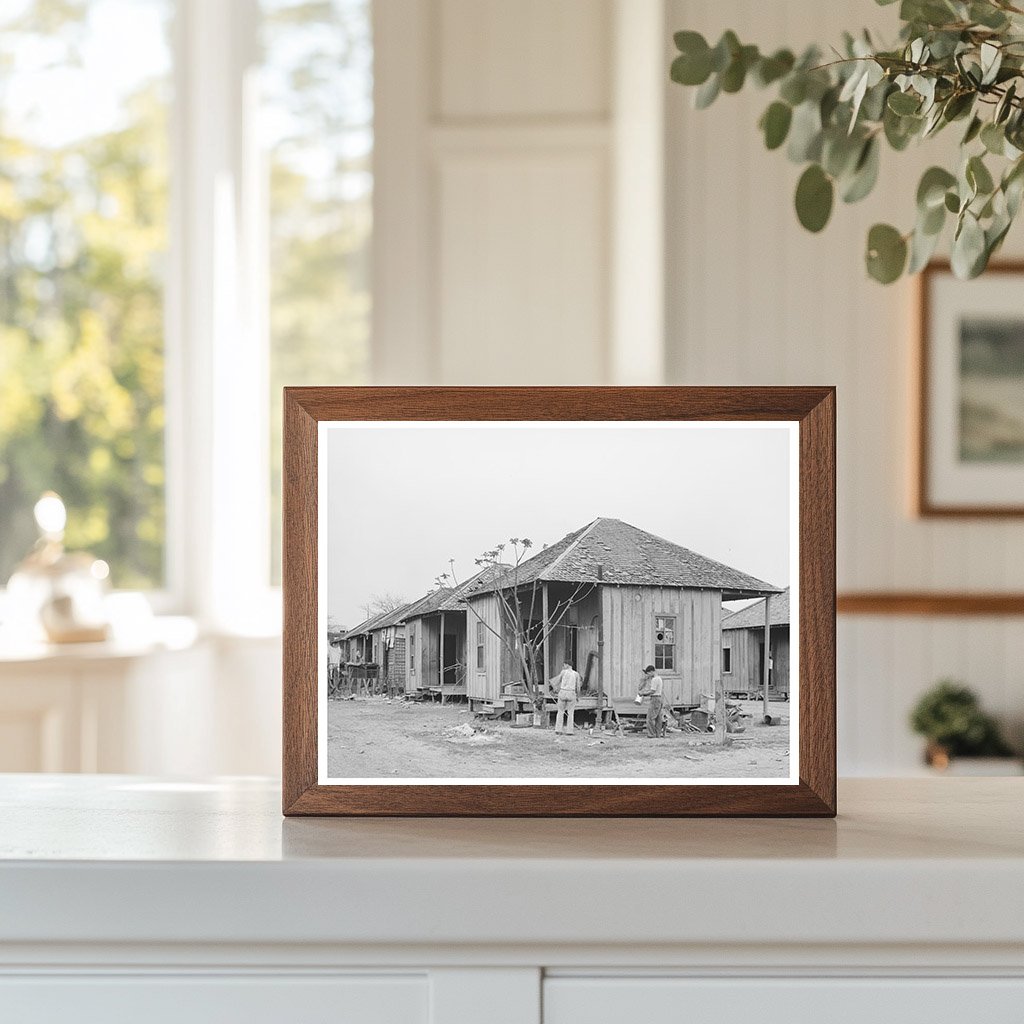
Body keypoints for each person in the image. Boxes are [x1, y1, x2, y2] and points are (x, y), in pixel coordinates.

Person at [550, 660, 581, 736]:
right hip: (571, 692)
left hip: (563, 692)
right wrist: (578, 696)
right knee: (570, 713)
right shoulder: (576, 674)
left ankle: (558, 729)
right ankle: (569, 731)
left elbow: (556, 682)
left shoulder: (563, 672)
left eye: (564, 665)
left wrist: (555, 689)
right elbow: (578, 686)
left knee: (560, 711)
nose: (563, 666)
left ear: (567, 665)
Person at [638, 664, 666, 738]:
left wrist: (643, 693)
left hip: (655, 698)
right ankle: (658, 734)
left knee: (650, 718)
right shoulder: (659, 678)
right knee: (658, 718)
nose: (648, 675)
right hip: (659, 698)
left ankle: (651, 734)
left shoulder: (654, 679)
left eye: (648, 673)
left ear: (651, 672)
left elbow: (652, 691)